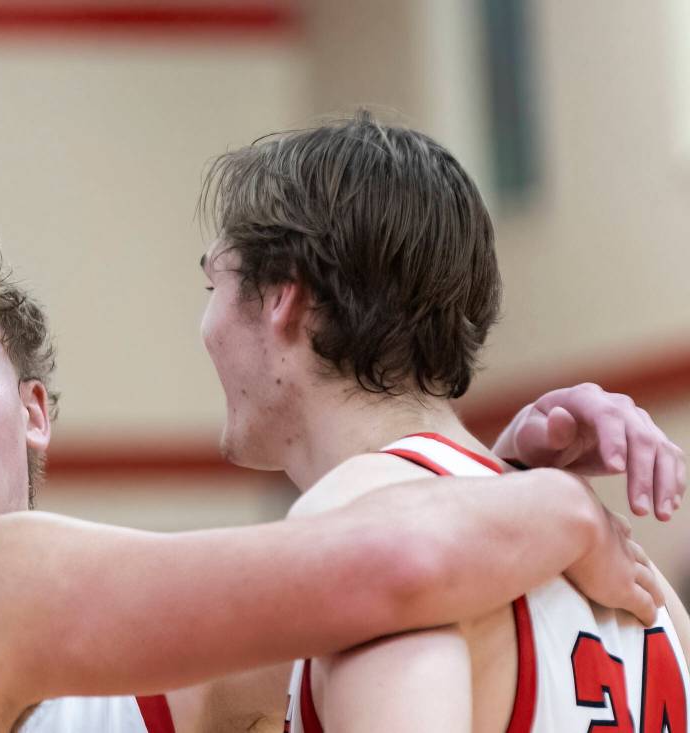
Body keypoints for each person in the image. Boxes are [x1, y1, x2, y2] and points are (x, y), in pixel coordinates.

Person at [0, 184, 665, 733]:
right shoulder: (13, 595)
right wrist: (541, 502)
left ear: (37, 413)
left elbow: (408, 583)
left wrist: (471, 473)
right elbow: (389, 567)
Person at [0, 242, 684, 732]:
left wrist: (502, 474)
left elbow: (401, 567)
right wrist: (542, 496)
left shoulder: (167, 643)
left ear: (33, 413)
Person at [189, 112, 689, 732]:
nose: (204, 328)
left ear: (281, 297)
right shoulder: (654, 594)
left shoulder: (359, 520)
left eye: (211, 280)